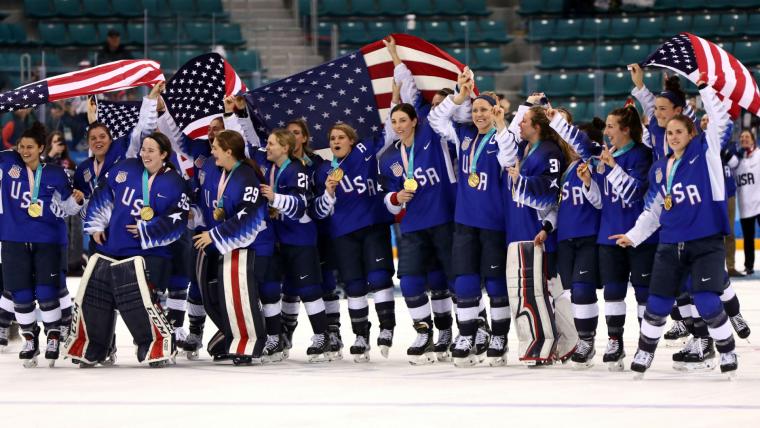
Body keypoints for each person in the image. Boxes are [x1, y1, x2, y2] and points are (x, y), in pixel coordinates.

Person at [611, 81, 739, 378]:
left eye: (679, 131)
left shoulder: (706, 157)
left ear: (692, 134)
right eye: (669, 133)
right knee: (657, 303)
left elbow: (721, 120)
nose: (673, 136)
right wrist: (634, 235)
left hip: (705, 242)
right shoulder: (661, 169)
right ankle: (645, 350)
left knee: (707, 301)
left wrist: (705, 88)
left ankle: (727, 349)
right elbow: (654, 210)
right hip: (670, 243)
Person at [73, 132, 189, 368]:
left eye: (151, 150)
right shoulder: (124, 168)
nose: (144, 154)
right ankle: (97, 347)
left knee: (142, 300)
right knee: (97, 299)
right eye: (143, 149)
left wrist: (148, 229)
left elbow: (179, 219)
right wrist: (96, 224)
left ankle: (157, 344)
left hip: (151, 253)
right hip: (113, 248)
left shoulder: (175, 182)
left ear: (164, 155)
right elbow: (103, 194)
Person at [428, 70, 517, 367]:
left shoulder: (505, 138)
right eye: (475, 110)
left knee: (494, 284)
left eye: (485, 110)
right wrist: (460, 96)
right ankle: (467, 334)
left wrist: (501, 125)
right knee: (464, 282)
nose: (479, 114)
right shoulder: (463, 135)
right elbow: (436, 120)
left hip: (494, 223)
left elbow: (508, 159)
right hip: (465, 221)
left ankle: (499, 337)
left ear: (495, 112)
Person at [566, 103, 655, 370]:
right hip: (609, 236)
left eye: (611, 126)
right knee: (613, 293)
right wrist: (588, 184)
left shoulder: (642, 155)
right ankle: (615, 342)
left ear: (626, 130)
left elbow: (633, 193)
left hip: (639, 237)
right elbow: (600, 202)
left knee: (643, 294)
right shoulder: (608, 155)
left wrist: (613, 167)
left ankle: (643, 344)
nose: (606, 132)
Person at [379, 100, 458, 365]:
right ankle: (423, 333)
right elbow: (388, 198)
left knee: (445, 281)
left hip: (443, 220)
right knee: (411, 282)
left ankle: (450, 331)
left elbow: (438, 114)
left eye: (403, 120)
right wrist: (396, 197)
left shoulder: (433, 139)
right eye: (394, 121)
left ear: (414, 121)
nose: (398, 126)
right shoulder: (390, 157)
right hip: (413, 226)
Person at [0, 123, 84, 367]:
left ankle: (54, 336)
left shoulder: (56, 173)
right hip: (13, 238)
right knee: (21, 295)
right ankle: (29, 338)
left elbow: (68, 209)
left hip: (48, 240)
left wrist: (76, 201)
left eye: (30, 147)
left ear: (41, 148)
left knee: (47, 293)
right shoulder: (7, 164)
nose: (24, 151)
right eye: (21, 146)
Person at [312, 123, 396, 362]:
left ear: (351, 140)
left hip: (372, 226)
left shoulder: (364, 151)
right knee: (354, 286)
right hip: (343, 233)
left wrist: (398, 91)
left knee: (379, 278)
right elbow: (320, 211)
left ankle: (387, 327)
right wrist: (328, 192)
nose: (335, 141)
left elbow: (389, 131)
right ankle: (361, 336)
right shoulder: (324, 171)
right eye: (332, 138)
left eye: (340, 137)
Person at [192, 130, 269, 365]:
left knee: (240, 296)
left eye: (215, 147)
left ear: (228, 151)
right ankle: (232, 336)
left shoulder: (246, 176)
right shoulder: (219, 171)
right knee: (213, 295)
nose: (211, 150)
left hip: (247, 246)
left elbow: (248, 216)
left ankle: (247, 343)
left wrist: (214, 235)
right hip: (223, 244)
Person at [259, 129, 332, 362]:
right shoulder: (267, 166)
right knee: (269, 289)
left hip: (300, 238)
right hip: (274, 239)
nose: (267, 147)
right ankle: (274, 337)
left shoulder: (296, 170)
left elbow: (300, 205)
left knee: (309, 289)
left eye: (271, 144)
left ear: (285, 148)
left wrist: (274, 198)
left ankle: (322, 336)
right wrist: (236, 113)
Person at [281, 118, 344, 360]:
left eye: (297, 133)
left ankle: (332, 332)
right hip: (289, 234)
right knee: (290, 286)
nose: (292, 137)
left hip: (320, 232)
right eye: (288, 133)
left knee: (325, 283)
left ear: (305, 138)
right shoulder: (279, 165)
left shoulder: (318, 165)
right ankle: (286, 333)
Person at [548, 113, 605, 368]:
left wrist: (588, 182)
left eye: (576, 144)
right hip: (565, 239)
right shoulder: (565, 170)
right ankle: (583, 338)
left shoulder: (592, 166)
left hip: (587, 238)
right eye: (569, 144)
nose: (572, 148)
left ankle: (586, 341)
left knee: (583, 290)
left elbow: (599, 202)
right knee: (572, 294)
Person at [629, 64, 696, 161]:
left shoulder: (689, 127)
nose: (657, 113)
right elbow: (648, 101)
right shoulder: (655, 122)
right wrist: (639, 83)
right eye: (656, 108)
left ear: (677, 110)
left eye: (663, 109)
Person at [733, 130, 760, 276]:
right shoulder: (736, 160)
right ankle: (748, 266)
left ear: (753, 139)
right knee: (748, 239)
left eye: (747, 137)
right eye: (742, 137)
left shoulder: (759, 154)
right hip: (745, 205)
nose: (744, 139)